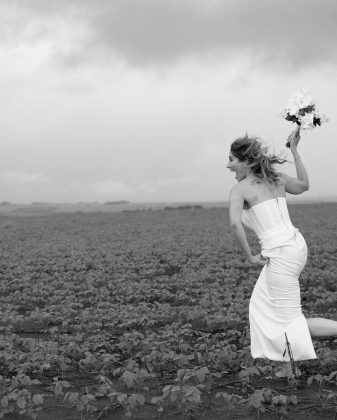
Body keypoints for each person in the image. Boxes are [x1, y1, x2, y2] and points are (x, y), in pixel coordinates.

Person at [227, 126, 337, 362]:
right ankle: (282, 360)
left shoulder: (240, 189)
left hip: (280, 254)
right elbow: (304, 185)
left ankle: (285, 362)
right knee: (260, 307)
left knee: (290, 321)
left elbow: (236, 224)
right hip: (295, 248)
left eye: (231, 159)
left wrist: (249, 256)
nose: (228, 166)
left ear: (245, 161)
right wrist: (295, 151)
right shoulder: (275, 178)